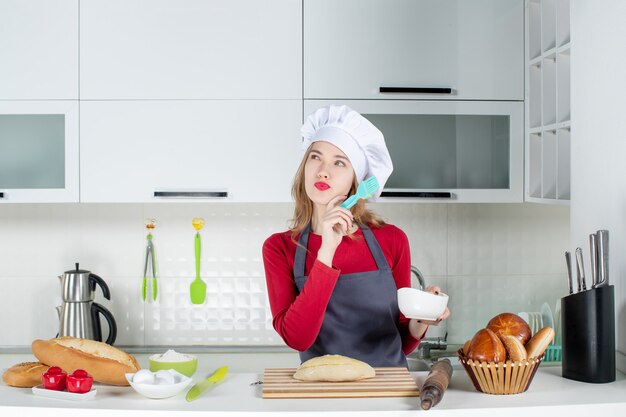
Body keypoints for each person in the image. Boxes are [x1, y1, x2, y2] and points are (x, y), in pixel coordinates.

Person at [262, 105, 450, 367]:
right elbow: (297, 338)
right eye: (315, 157)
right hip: (322, 396)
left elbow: (401, 343)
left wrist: (422, 319)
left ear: (356, 181)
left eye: (339, 162)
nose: (323, 171)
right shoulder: (280, 248)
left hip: (387, 394)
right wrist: (326, 250)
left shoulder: (392, 240)